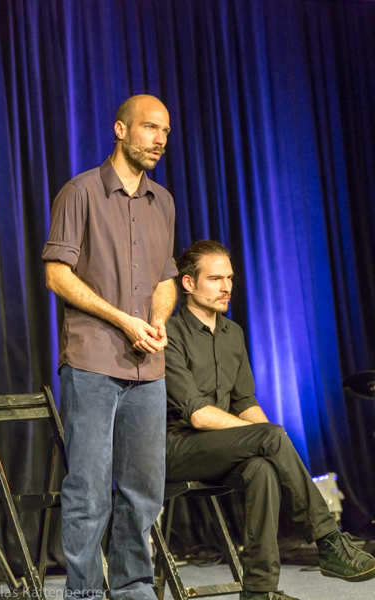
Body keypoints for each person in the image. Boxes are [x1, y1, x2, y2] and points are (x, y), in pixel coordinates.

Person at [164, 240, 375, 600]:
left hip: (219, 448)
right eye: (215, 279)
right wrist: (266, 436)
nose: (226, 287)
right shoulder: (170, 333)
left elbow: (244, 401)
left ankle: (259, 591)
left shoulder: (233, 334)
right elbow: (197, 415)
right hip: (176, 449)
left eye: (229, 278)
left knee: (262, 467)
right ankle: (329, 541)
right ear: (188, 283)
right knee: (271, 438)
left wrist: (270, 440)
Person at [42, 95, 177, 600]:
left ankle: (133, 587)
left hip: (149, 368)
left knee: (144, 492)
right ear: (121, 130)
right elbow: (57, 275)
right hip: (93, 363)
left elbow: (166, 277)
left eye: (165, 131)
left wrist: (157, 321)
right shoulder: (79, 192)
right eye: (150, 128)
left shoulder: (163, 201)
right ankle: (83, 592)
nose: (159, 140)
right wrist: (123, 319)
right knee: (90, 491)